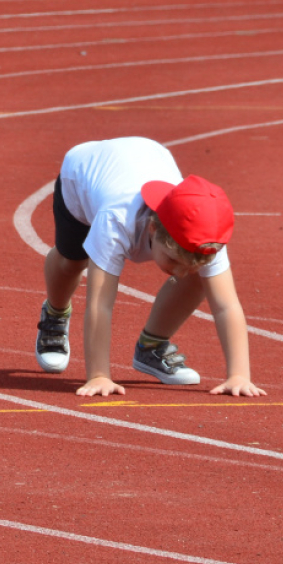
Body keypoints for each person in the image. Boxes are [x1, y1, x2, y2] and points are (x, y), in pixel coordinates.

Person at [34, 137, 266, 398]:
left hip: (149, 155)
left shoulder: (206, 234)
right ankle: (55, 312)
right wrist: (99, 375)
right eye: (173, 260)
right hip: (81, 177)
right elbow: (100, 304)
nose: (178, 272)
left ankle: (151, 346)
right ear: (153, 228)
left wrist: (239, 375)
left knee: (199, 275)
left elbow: (226, 305)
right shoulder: (116, 220)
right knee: (73, 261)